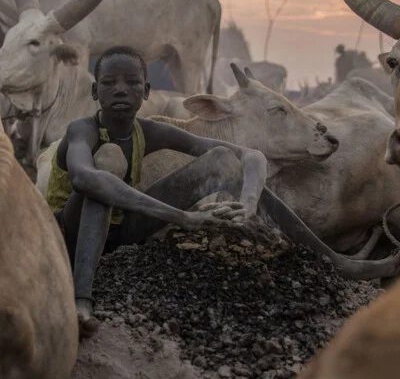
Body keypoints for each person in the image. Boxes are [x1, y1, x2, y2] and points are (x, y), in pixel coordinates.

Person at [46, 46, 268, 338]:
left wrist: (249, 202)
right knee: (107, 162)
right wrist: (182, 218)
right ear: (94, 92)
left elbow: (250, 156)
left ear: (146, 90)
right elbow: (84, 179)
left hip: (119, 236)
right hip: (68, 237)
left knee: (220, 161)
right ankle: (81, 299)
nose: (121, 90)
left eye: (132, 82)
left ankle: (323, 252)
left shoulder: (148, 132)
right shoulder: (82, 130)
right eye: (109, 83)